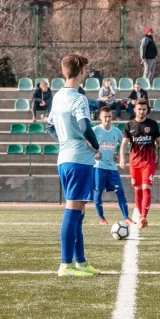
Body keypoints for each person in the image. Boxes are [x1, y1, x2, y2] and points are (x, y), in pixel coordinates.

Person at [49, 53, 103, 278]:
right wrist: (96, 145)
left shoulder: (57, 96)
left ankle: (80, 261)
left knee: (79, 212)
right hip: (79, 160)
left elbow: (49, 127)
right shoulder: (78, 98)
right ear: (81, 71)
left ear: (64, 71)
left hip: (65, 158)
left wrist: (65, 141)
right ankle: (65, 264)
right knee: (72, 211)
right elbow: (84, 125)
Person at [120, 99, 160, 229]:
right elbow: (124, 144)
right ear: (135, 110)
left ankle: (143, 216)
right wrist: (122, 158)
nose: (142, 111)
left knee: (146, 188)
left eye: (144, 109)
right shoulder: (129, 125)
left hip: (148, 162)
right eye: (139, 109)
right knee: (137, 190)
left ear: (147, 110)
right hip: (134, 163)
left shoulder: (153, 124)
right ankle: (140, 215)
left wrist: (159, 160)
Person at [92, 106, 133, 226]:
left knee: (120, 191)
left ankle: (126, 217)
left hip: (112, 168)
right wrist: (94, 153)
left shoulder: (116, 132)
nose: (107, 119)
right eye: (105, 117)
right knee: (98, 192)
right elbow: (86, 143)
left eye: (109, 116)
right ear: (100, 117)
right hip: (98, 167)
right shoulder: (95, 130)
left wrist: (119, 156)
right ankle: (101, 218)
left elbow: (124, 144)